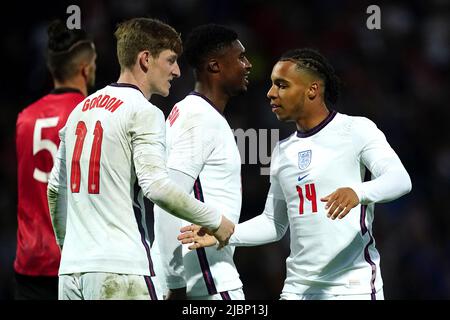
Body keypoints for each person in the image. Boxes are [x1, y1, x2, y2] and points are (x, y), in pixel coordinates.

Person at [178, 48, 412, 300]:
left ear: (312, 90)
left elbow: (400, 180)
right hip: (296, 290)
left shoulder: (356, 130)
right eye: (271, 85)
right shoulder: (282, 151)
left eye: (282, 85)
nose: (270, 93)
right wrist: (226, 233)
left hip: (351, 288)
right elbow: (274, 223)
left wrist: (358, 192)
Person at [47, 17, 234, 300]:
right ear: (145, 59)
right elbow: (156, 187)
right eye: (170, 60)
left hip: (72, 274)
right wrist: (216, 220)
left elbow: (54, 190)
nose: (177, 71)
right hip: (121, 270)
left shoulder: (78, 111)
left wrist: (71, 251)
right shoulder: (143, 112)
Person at [152, 24, 252, 300]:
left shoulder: (190, 112)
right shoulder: (198, 118)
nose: (248, 65)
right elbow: (167, 198)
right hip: (207, 283)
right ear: (215, 66)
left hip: (202, 279)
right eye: (241, 58)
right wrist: (176, 283)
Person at [14, 20, 96, 300]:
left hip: (29, 262)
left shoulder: (24, 118)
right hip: (75, 262)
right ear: (86, 68)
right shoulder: (88, 115)